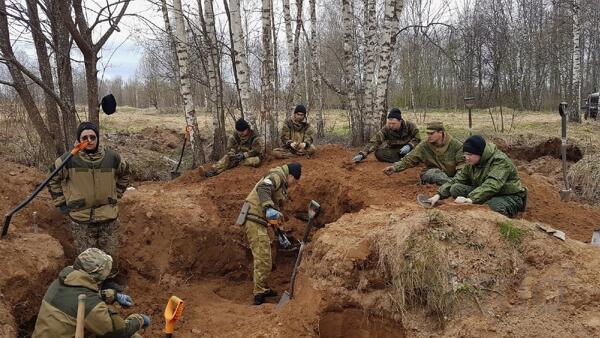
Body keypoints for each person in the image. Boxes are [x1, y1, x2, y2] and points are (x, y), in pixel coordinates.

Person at [48, 122, 130, 280]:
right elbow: (52, 179)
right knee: (86, 258)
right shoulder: (69, 159)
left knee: (110, 254)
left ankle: (110, 284)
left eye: (93, 137)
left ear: (98, 138)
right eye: (85, 137)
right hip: (81, 219)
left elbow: (126, 173)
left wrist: (116, 194)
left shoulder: (112, 158)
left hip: (108, 217)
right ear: (79, 139)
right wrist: (61, 203)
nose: (89, 140)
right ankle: (88, 287)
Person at [32, 248, 150, 338]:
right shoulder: (89, 305)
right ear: (97, 275)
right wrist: (139, 319)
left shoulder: (60, 282)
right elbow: (119, 332)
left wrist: (111, 295)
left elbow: (77, 299)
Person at [236, 163, 302, 305]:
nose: (293, 184)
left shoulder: (280, 182)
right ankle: (258, 294)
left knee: (265, 256)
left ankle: (262, 288)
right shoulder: (277, 176)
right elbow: (263, 187)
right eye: (294, 181)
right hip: (254, 220)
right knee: (263, 258)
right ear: (290, 175)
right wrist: (267, 208)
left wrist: (279, 233)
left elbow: (272, 213)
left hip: (259, 221)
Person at [425, 135, 527, 217]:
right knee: (455, 188)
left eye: (470, 154)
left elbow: (492, 185)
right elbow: (457, 179)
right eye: (465, 154)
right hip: (485, 193)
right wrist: (438, 195)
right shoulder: (472, 163)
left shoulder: (500, 161)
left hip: (508, 196)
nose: (467, 158)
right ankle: (478, 205)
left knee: (492, 207)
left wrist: (470, 199)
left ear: (480, 153)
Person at [383, 121, 464, 185]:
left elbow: (462, 166)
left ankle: (452, 184)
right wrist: (395, 168)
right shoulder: (424, 145)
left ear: (441, 132)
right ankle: (451, 184)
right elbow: (410, 159)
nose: (429, 136)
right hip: (432, 173)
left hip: (453, 175)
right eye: (427, 133)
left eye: (431, 133)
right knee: (432, 174)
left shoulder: (456, 145)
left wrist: (459, 179)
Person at [352, 108, 420, 163]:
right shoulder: (386, 129)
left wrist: (410, 145)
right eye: (389, 123)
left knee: (419, 152)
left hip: (409, 150)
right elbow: (375, 141)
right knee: (378, 153)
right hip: (396, 152)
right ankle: (406, 160)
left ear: (400, 121)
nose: (391, 125)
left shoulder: (410, 125)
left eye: (393, 123)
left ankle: (409, 158)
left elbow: (418, 139)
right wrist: (362, 154)